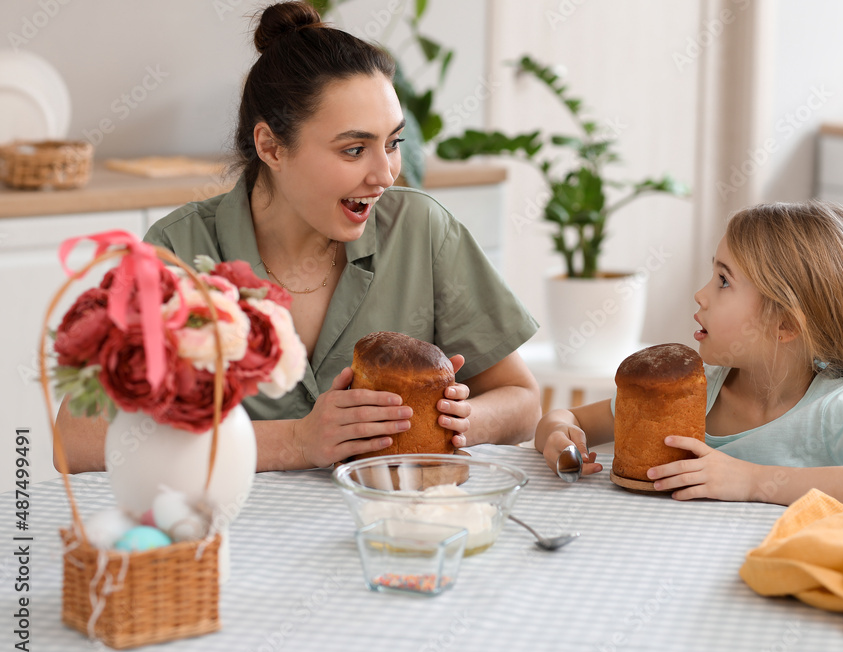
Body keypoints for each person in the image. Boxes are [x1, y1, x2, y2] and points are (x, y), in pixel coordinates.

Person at [57, 1, 540, 473]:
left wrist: (463, 420)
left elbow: (523, 399)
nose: (386, 174)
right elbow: (78, 441)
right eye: (354, 149)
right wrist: (295, 440)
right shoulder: (181, 251)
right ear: (270, 146)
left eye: (393, 143)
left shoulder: (422, 230)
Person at [534, 201, 843, 507]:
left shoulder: (842, 407)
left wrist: (751, 481)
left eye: (723, 281)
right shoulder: (686, 394)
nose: (701, 294)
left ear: (785, 324)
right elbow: (563, 418)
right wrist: (557, 436)